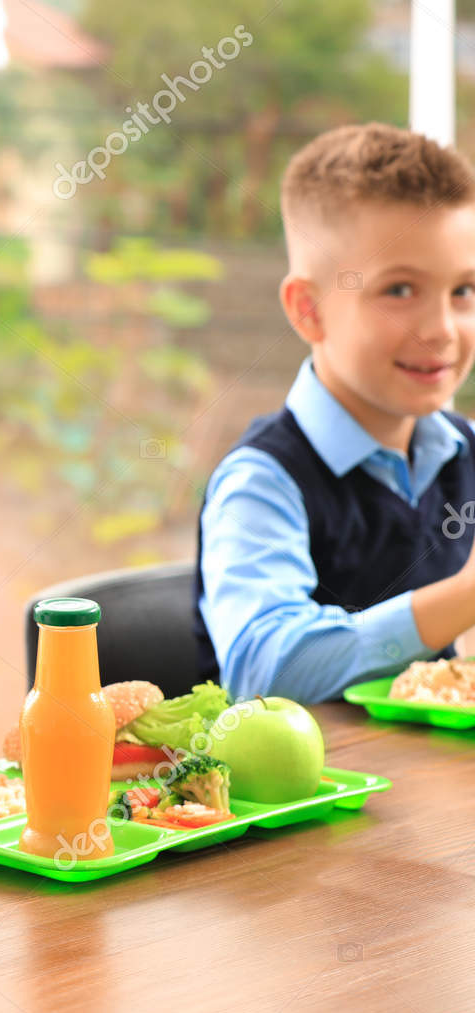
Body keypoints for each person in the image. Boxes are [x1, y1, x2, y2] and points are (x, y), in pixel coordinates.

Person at [196, 123, 475, 703]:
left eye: (464, 291)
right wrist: (463, 598)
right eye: (400, 291)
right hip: (315, 791)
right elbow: (265, 671)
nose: (442, 330)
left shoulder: (465, 449)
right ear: (309, 309)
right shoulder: (262, 482)